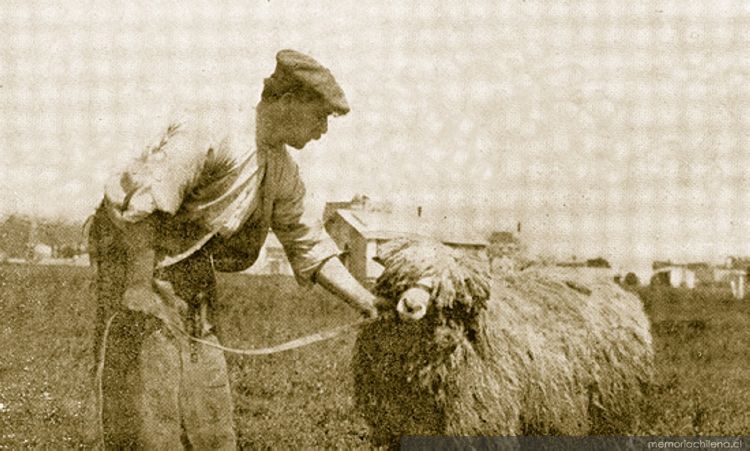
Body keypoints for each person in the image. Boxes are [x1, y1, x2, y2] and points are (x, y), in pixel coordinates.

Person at [89, 49, 380, 449]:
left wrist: (366, 300)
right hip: (133, 251)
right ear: (286, 100)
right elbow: (142, 208)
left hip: (190, 270)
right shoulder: (211, 131)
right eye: (320, 115)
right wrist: (139, 285)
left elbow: (306, 241)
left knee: (208, 401)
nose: (323, 130)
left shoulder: (281, 169)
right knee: (150, 397)